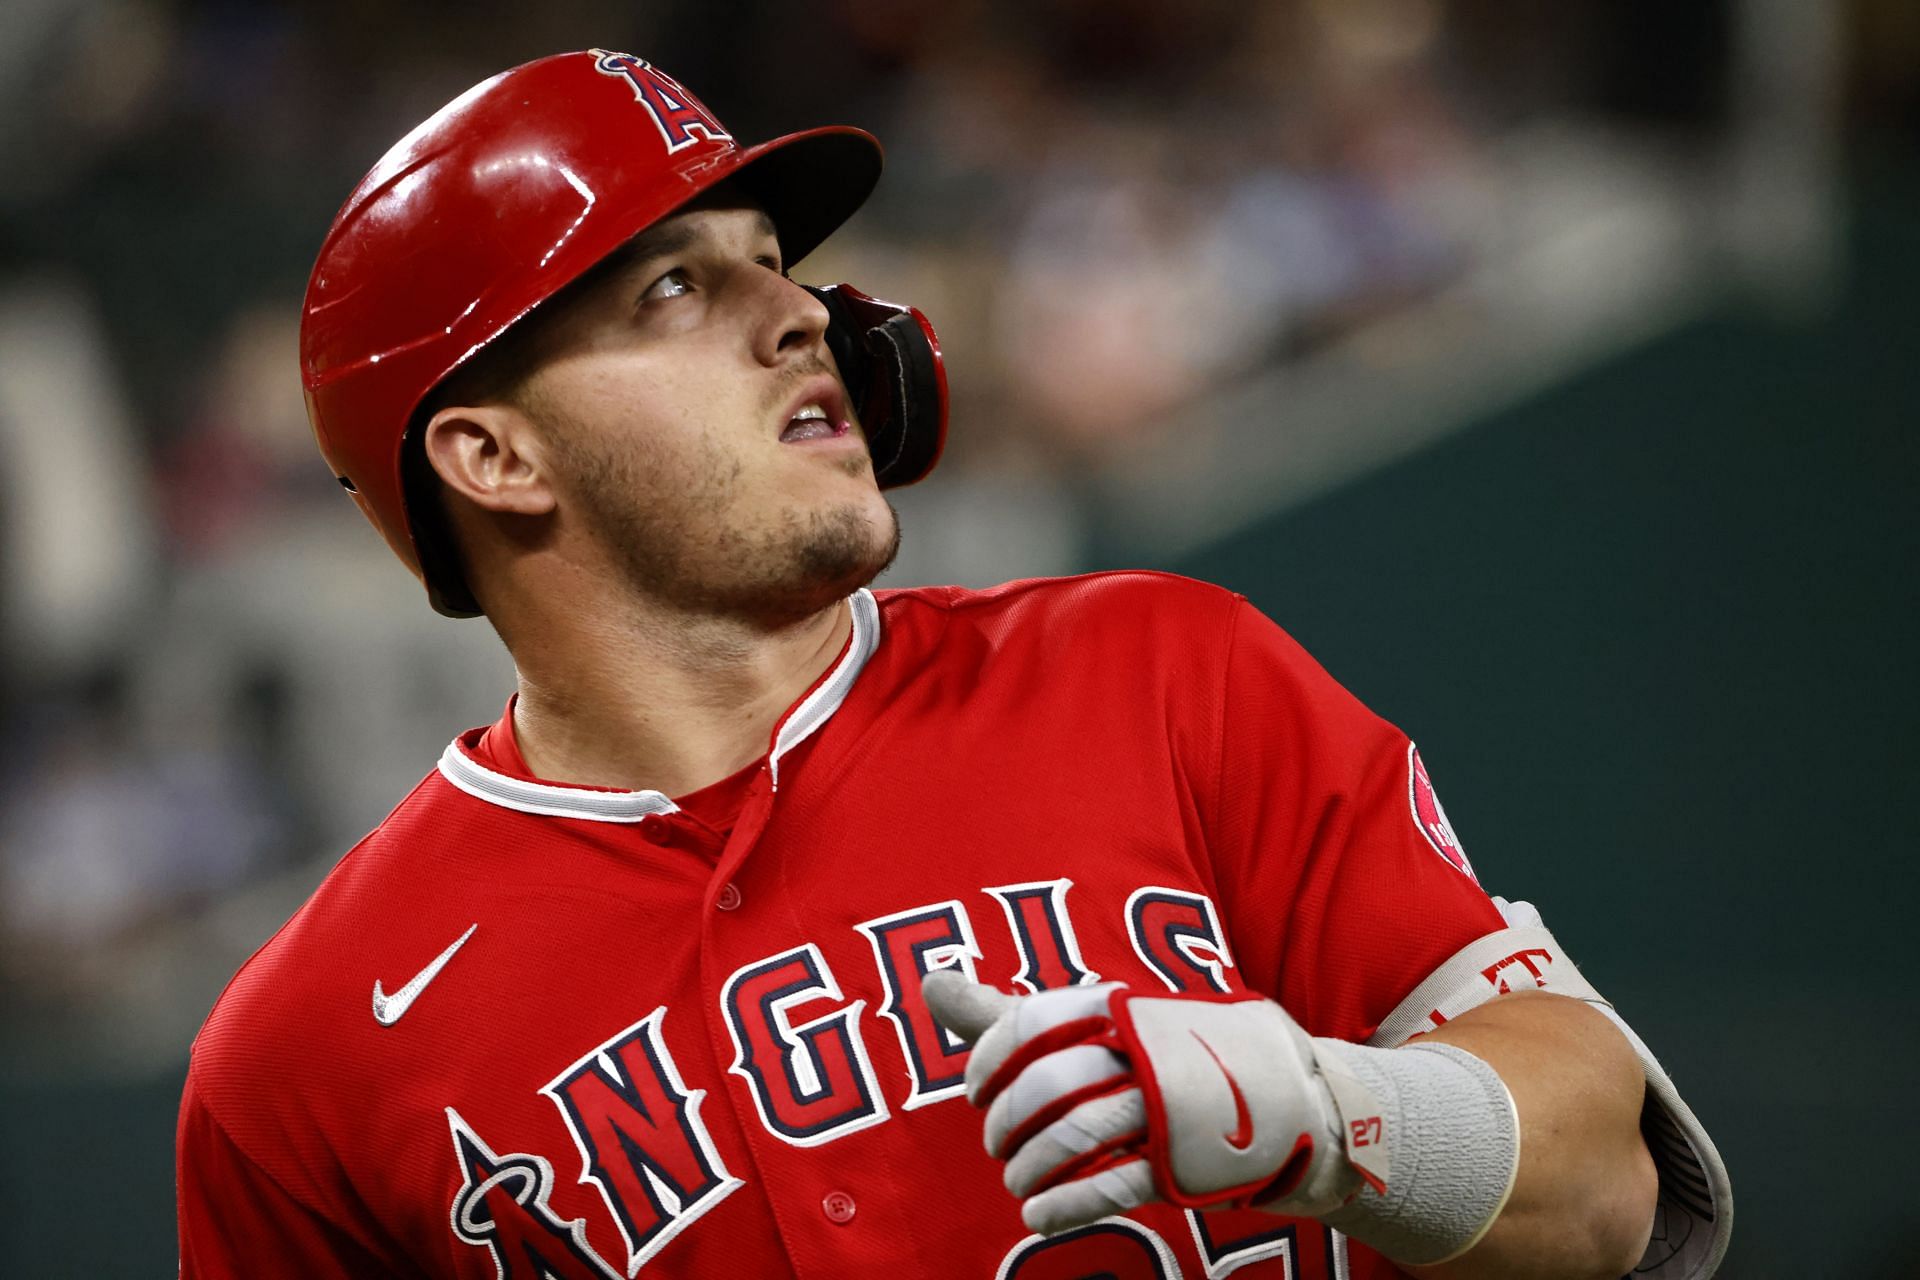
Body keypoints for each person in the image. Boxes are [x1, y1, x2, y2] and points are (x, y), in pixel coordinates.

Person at [176, 50, 1731, 1279]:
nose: (798, 313)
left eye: (772, 261)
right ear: (491, 454)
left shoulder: (1163, 674)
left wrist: (1329, 1114)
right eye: (675, 287)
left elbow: (1609, 1183)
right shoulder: (302, 1059)